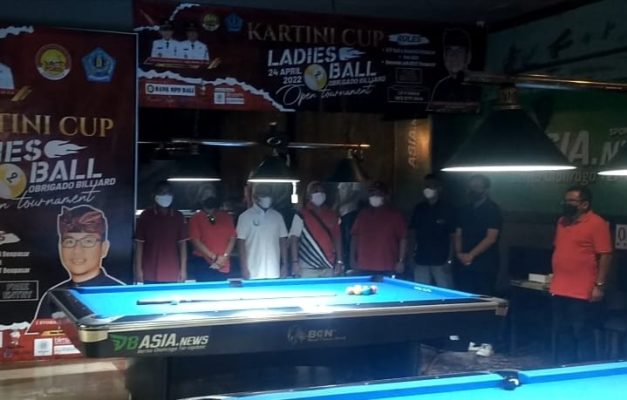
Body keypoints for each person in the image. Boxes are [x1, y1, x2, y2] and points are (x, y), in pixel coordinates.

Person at [551, 185, 612, 363]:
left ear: (584, 204)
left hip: (582, 289)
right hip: (559, 287)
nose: (567, 204)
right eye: (565, 200)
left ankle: (585, 368)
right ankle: (564, 367)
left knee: (582, 332)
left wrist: (599, 285)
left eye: (572, 201)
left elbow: (606, 255)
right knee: (562, 331)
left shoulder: (597, 223)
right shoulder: (562, 222)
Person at [31, 205, 123, 321]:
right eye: (69, 241)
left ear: (104, 248)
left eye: (88, 241)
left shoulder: (118, 294)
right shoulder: (55, 296)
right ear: (60, 248)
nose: (77, 250)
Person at [454, 174, 502, 296]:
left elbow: (491, 238)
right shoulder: (464, 209)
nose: (472, 190)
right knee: (462, 297)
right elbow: (458, 234)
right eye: (470, 187)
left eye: (476, 187)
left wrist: (471, 255)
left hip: (485, 264)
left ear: (486, 189)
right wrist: (459, 253)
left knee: (483, 298)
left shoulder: (493, 209)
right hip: (463, 262)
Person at [135, 181, 187, 283]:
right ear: (154, 195)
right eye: (162, 192)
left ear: (173, 195)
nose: (165, 195)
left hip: (172, 270)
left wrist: (183, 270)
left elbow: (182, 245)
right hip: (149, 270)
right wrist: (138, 270)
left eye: (168, 192)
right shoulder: (146, 216)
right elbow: (139, 245)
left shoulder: (178, 216)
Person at [350, 181, 407, 275]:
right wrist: (352, 258)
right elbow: (354, 236)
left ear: (385, 196)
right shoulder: (363, 215)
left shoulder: (395, 216)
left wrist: (401, 261)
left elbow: (403, 238)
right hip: (363, 265)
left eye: (379, 194)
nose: (375, 196)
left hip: (387, 266)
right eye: (372, 194)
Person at [409, 174, 456, 288]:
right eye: (426, 186)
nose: (428, 189)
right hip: (421, 258)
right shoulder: (419, 208)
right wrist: (410, 256)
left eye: (431, 186)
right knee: (420, 291)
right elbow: (412, 234)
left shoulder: (448, 209)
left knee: (446, 291)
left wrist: (450, 260)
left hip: (441, 260)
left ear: (439, 188)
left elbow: (453, 236)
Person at [289, 181, 343, 278]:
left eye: (321, 191)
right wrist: (295, 262)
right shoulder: (301, 214)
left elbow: (337, 238)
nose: (319, 193)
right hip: (307, 267)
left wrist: (339, 261)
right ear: (308, 195)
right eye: (315, 191)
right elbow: (294, 239)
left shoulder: (332, 214)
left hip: (328, 265)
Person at [236, 184, 288, 279]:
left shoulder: (277, 217)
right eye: (263, 194)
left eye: (268, 193)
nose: (266, 197)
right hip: (252, 270)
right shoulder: (244, 217)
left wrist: (285, 264)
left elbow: (283, 241)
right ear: (255, 197)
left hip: (274, 269)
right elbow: (241, 244)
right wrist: (244, 268)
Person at [427, 28, 480, 113]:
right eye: (449, 51)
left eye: (459, 52)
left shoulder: (478, 86)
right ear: (444, 57)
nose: (454, 56)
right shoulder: (441, 87)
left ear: (468, 57)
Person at [189, 187, 236, 281]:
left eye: (211, 195)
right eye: (206, 195)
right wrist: (214, 257)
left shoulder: (226, 217)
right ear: (200, 198)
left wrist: (225, 257)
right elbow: (196, 241)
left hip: (223, 263)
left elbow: (232, 237)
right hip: (203, 263)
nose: (209, 197)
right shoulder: (196, 218)